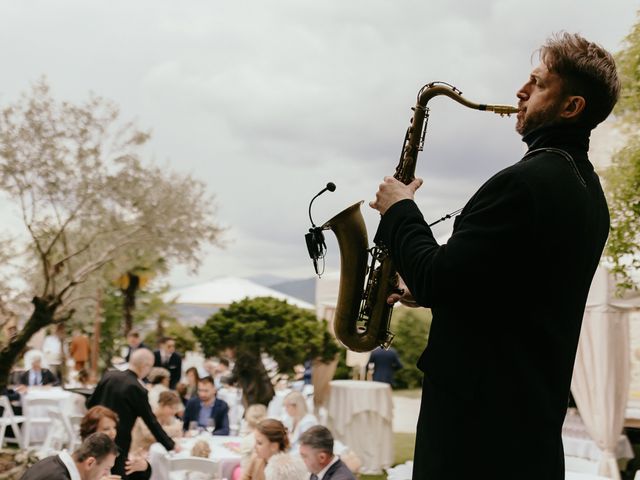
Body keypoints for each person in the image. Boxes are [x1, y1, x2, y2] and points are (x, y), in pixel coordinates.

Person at [369, 32, 619, 479]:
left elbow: (438, 279)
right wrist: (425, 286)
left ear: (571, 107)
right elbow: (507, 292)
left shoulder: (524, 183)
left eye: (538, 84)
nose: (521, 92)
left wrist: (400, 207)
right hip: (524, 433)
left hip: (473, 436)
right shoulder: (589, 195)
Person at [87, 348, 178, 478]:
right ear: (145, 366)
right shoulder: (137, 388)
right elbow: (151, 421)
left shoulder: (109, 376)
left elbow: (90, 404)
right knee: (119, 475)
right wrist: (171, 445)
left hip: (94, 435)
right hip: (119, 442)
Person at [80, 405, 151, 479]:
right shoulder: (83, 457)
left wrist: (144, 467)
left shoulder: (116, 453)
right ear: (92, 432)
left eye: (114, 427)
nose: (113, 433)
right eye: (106, 429)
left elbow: (130, 475)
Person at [20, 432, 117, 480]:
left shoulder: (51, 461)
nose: (106, 475)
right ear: (90, 463)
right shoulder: (59, 477)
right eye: (106, 468)